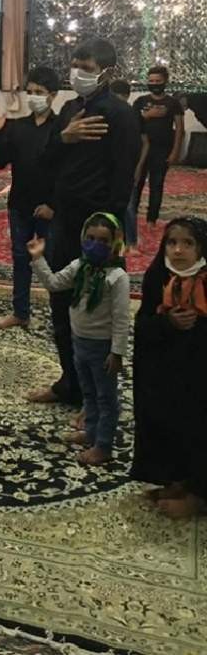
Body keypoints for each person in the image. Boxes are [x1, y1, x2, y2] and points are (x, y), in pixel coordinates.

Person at [29, 37, 140, 408]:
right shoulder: (69, 109)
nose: (78, 73)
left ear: (107, 72)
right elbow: (46, 161)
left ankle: (96, 400)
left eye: (87, 68)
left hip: (99, 231)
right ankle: (70, 385)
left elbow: (123, 180)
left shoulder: (121, 116)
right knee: (62, 306)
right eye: (75, 66)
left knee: (97, 315)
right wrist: (65, 137)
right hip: (64, 223)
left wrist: (107, 232)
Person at [28, 212, 130, 465]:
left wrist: (117, 353)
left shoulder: (117, 277)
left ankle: (103, 446)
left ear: (115, 243)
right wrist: (38, 258)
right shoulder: (79, 267)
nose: (96, 245)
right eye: (91, 238)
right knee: (88, 393)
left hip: (102, 348)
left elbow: (121, 319)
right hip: (80, 342)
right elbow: (54, 284)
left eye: (103, 240)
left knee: (106, 398)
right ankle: (91, 432)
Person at [131, 216, 207, 519]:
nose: (178, 250)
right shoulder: (158, 275)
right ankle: (177, 480)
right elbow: (143, 324)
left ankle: (199, 497)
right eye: (172, 242)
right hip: (167, 373)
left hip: (200, 375)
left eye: (188, 243)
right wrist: (168, 323)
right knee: (168, 421)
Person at [0, 66, 60, 329]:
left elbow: (67, 171)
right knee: (21, 259)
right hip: (20, 204)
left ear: (52, 94)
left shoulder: (61, 128)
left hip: (50, 208)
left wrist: (53, 205)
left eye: (39, 92)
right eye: (30, 92)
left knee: (54, 261)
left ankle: (60, 315)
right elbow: (0, 161)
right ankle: (21, 312)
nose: (33, 97)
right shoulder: (18, 127)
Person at [132, 65, 184, 230]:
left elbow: (180, 128)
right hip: (141, 149)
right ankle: (131, 215)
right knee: (136, 183)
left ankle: (151, 220)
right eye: (151, 81)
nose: (154, 84)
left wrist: (175, 151)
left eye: (158, 81)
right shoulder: (140, 102)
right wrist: (147, 115)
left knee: (157, 184)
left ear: (165, 81)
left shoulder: (173, 103)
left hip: (162, 150)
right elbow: (131, 123)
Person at [109, 79, 147, 252]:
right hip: (109, 167)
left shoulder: (134, 116)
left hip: (128, 167)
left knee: (129, 205)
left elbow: (145, 143)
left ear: (126, 97)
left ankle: (131, 241)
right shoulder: (107, 114)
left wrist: (139, 167)